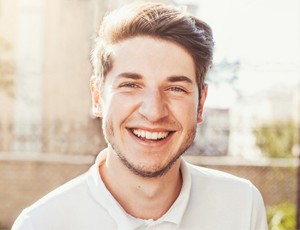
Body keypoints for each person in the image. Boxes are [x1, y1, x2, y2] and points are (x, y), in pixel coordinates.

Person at [12, 2, 268, 229]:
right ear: (98, 98)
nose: (154, 111)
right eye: (130, 85)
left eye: (176, 89)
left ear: (200, 105)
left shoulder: (243, 206)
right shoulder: (40, 223)